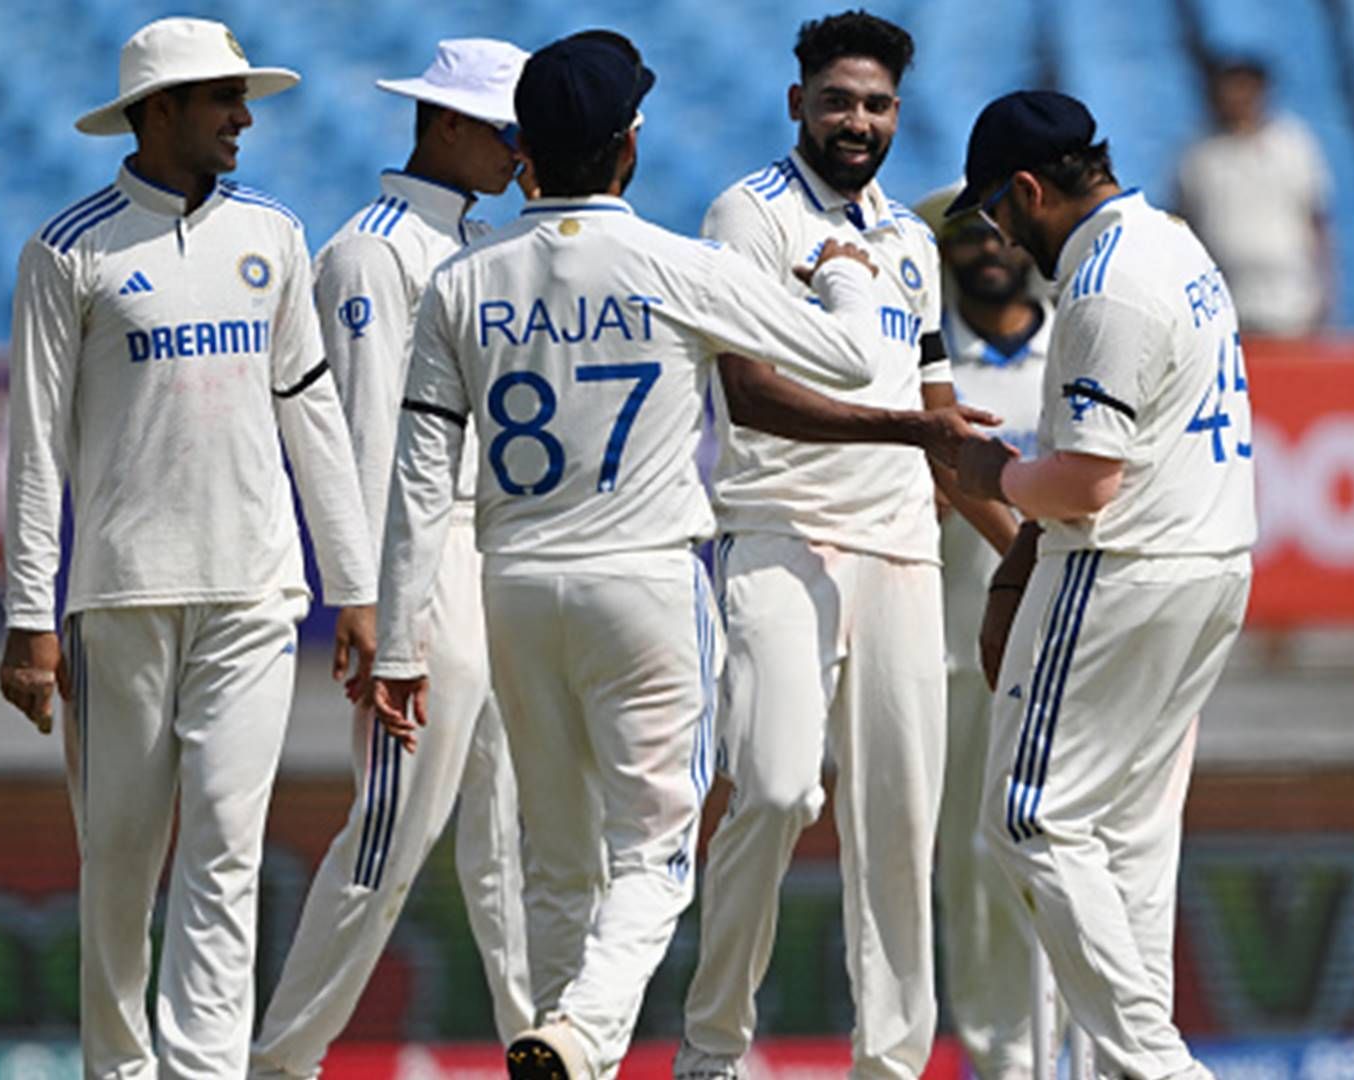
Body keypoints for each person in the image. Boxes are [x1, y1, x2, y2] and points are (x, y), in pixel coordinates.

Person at [368, 30, 897, 1080]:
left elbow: (420, 478)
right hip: (646, 581)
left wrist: (397, 643)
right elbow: (848, 356)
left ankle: (572, 1055)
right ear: (628, 145)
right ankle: (583, 1034)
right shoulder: (673, 263)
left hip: (514, 586)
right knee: (655, 857)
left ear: (525, 150)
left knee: (558, 865)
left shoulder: (461, 280)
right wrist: (844, 271)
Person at [0, 17, 377, 1078]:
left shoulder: (275, 237)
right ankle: (119, 1070)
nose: (244, 118)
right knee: (120, 860)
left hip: (256, 591)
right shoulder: (68, 249)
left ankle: (205, 1071)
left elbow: (313, 416)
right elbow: (35, 447)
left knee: (224, 848)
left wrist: (355, 586)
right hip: (121, 596)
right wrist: (31, 620)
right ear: (158, 111)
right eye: (222, 100)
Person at [676, 13, 1011, 1080]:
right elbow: (748, 389)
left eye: (873, 105)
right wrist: (915, 431)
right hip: (779, 531)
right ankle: (714, 1046)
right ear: (797, 105)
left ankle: (893, 1061)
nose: (855, 122)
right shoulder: (749, 215)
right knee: (775, 787)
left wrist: (1024, 546)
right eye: (836, 101)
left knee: (900, 820)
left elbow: (937, 405)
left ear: (896, 115)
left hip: (902, 550)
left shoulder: (913, 240)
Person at [949, 89, 1256, 1080]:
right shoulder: (1175, 242)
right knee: (1125, 835)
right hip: (1209, 566)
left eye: (998, 211)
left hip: (1126, 571)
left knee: (1028, 815)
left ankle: (1158, 1069)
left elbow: (1084, 482)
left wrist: (988, 476)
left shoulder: (1106, 282)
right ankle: (1130, 1066)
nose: (999, 235)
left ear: (1032, 188)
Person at [250, 39, 535, 1078]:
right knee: (390, 833)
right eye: (506, 129)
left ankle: (542, 1052)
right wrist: (377, 606)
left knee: (511, 841)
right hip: (426, 558)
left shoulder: (475, 245)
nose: (520, 150)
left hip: (493, 549)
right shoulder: (371, 254)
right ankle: (281, 1062)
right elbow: (370, 446)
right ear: (446, 124)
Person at [913, 187, 1096, 1080]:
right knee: (983, 868)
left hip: (1090, 649)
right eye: (962, 236)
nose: (984, 249)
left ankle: (1095, 1056)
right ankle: (1006, 1066)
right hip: (966, 655)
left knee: (1093, 860)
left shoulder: (1081, 342)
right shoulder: (932, 368)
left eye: (997, 232)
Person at [1173, 57, 1333, 336]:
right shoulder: (1199, 154)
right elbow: (1184, 228)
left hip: (1289, 297)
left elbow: (1317, 219)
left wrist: (1326, 289)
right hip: (1226, 298)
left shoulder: (1292, 144)